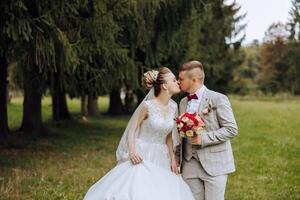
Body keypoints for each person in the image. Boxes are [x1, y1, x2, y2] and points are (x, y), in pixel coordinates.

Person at [83, 67, 195, 200]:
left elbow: (168, 136)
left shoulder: (173, 107)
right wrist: (132, 151)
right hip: (144, 153)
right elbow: (132, 129)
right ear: (165, 85)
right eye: (174, 80)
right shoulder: (147, 106)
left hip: (162, 155)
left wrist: (172, 158)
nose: (177, 82)